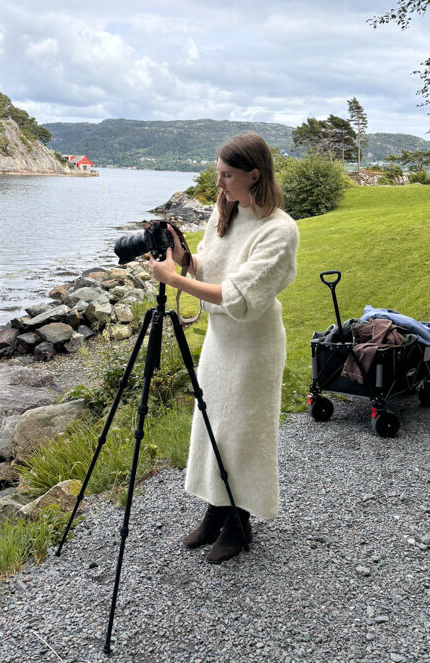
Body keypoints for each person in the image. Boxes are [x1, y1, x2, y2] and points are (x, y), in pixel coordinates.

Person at [148, 132, 299, 563]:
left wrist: (174, 282)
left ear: (254, 175)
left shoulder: (279, 230)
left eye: (226, 176)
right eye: (218, 174)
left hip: (254, 345)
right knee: (213, 426)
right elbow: (212, 272)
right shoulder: (225, 216)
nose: (219, 185)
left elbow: (238, 295)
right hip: (220, 343)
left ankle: (239, 521)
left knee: (243, 434)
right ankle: (216, 508)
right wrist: (184, 260)